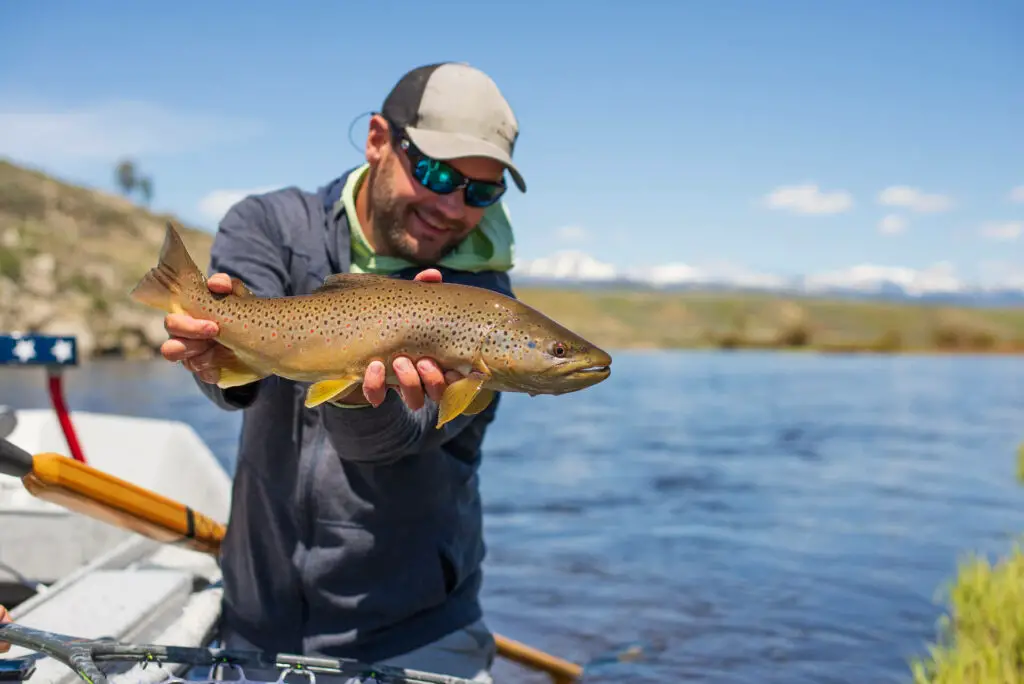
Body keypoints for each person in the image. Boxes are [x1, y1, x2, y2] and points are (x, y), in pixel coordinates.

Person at [170, 62, 524, 682]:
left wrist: (364, 394)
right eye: (438, 173)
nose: (451, 206)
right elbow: (241, 379)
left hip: (415, 631)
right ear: (379, 141)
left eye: (481, 191)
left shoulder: (484, 303)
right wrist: (212, 351)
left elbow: (403, 444)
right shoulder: (271, 226)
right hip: (257, 623)